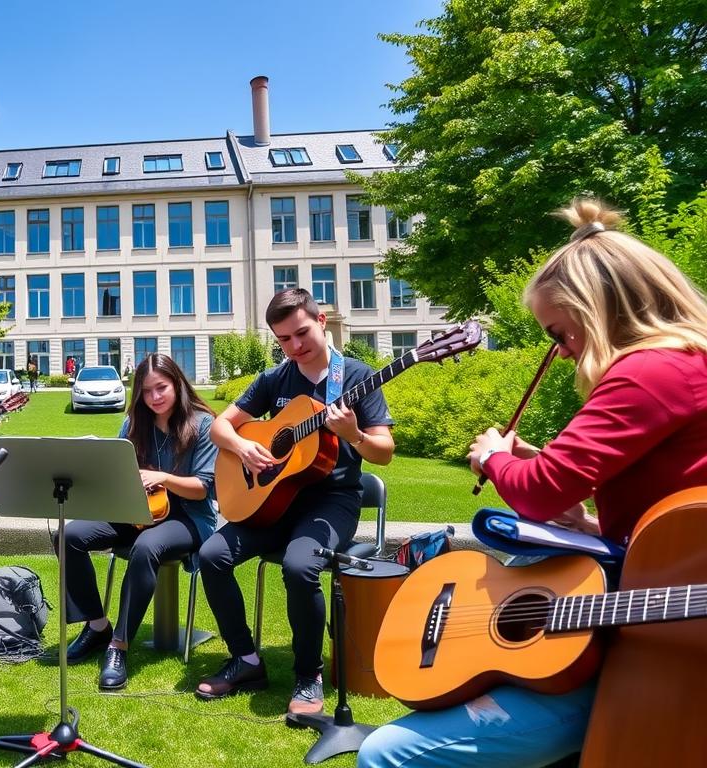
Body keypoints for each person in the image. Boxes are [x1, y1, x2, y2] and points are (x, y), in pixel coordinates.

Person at [358, 199, 707, 768]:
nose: (562, 350)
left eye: (560, 333)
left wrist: (496, 458)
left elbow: (538, 489)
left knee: (388, 754)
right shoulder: (687, 364)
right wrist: (587, 523)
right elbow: (673, 529)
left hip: (651, 644)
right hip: (644, 624)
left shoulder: (649, 371)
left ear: (594, 311)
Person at [197, 287, 395, 714]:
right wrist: (243, 447)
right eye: (284, 339)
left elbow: (385, 451)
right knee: (211, 553)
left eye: (301, 333)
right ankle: (246, 660)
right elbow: (220, 428)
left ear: (321, 320)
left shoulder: (358, 378)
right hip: (273, 500)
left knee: (299, 566)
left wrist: (355, 436)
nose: (295, 346)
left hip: (330, 502)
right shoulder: (276, 378)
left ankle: (308, 676)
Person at [57, 353, 218, 690]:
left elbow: (202, 490)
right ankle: (98, 626)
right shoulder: (132, 425)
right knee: (68, 535)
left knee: (146, 548)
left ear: (177, 384)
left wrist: (163, 477)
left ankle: (119, 645)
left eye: (161, 388)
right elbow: (117, 474)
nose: (155, 397)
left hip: (188, 517)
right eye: (146, 391)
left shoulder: (203, 424)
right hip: (137, 511)